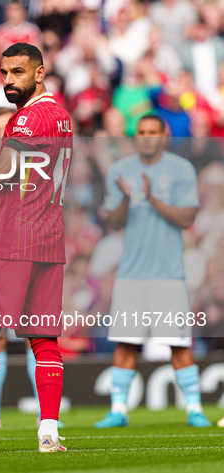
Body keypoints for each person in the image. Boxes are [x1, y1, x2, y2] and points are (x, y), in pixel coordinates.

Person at [0, 42, 73, 453]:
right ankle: (49, 434)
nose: (8, 81)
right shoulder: (61, 116)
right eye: (4, 72)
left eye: (18, 73)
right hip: (49, 239)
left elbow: (1, 175)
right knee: (44, 340)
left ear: (40, 73)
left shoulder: (26, 120)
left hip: (10, 238)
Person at [95, 115, 212, 429]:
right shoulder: (120, 170)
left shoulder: (180, 169)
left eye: (152, 132)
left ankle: (194, 409)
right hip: (131, 274)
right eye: (141, 133)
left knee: (178, 344)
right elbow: (116, 222)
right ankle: (118, 410)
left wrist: (151, 198)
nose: (146, 138)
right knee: (125, 342)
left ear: (164, 135)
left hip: (169, 274)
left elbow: (187, 218)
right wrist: (123, 198)